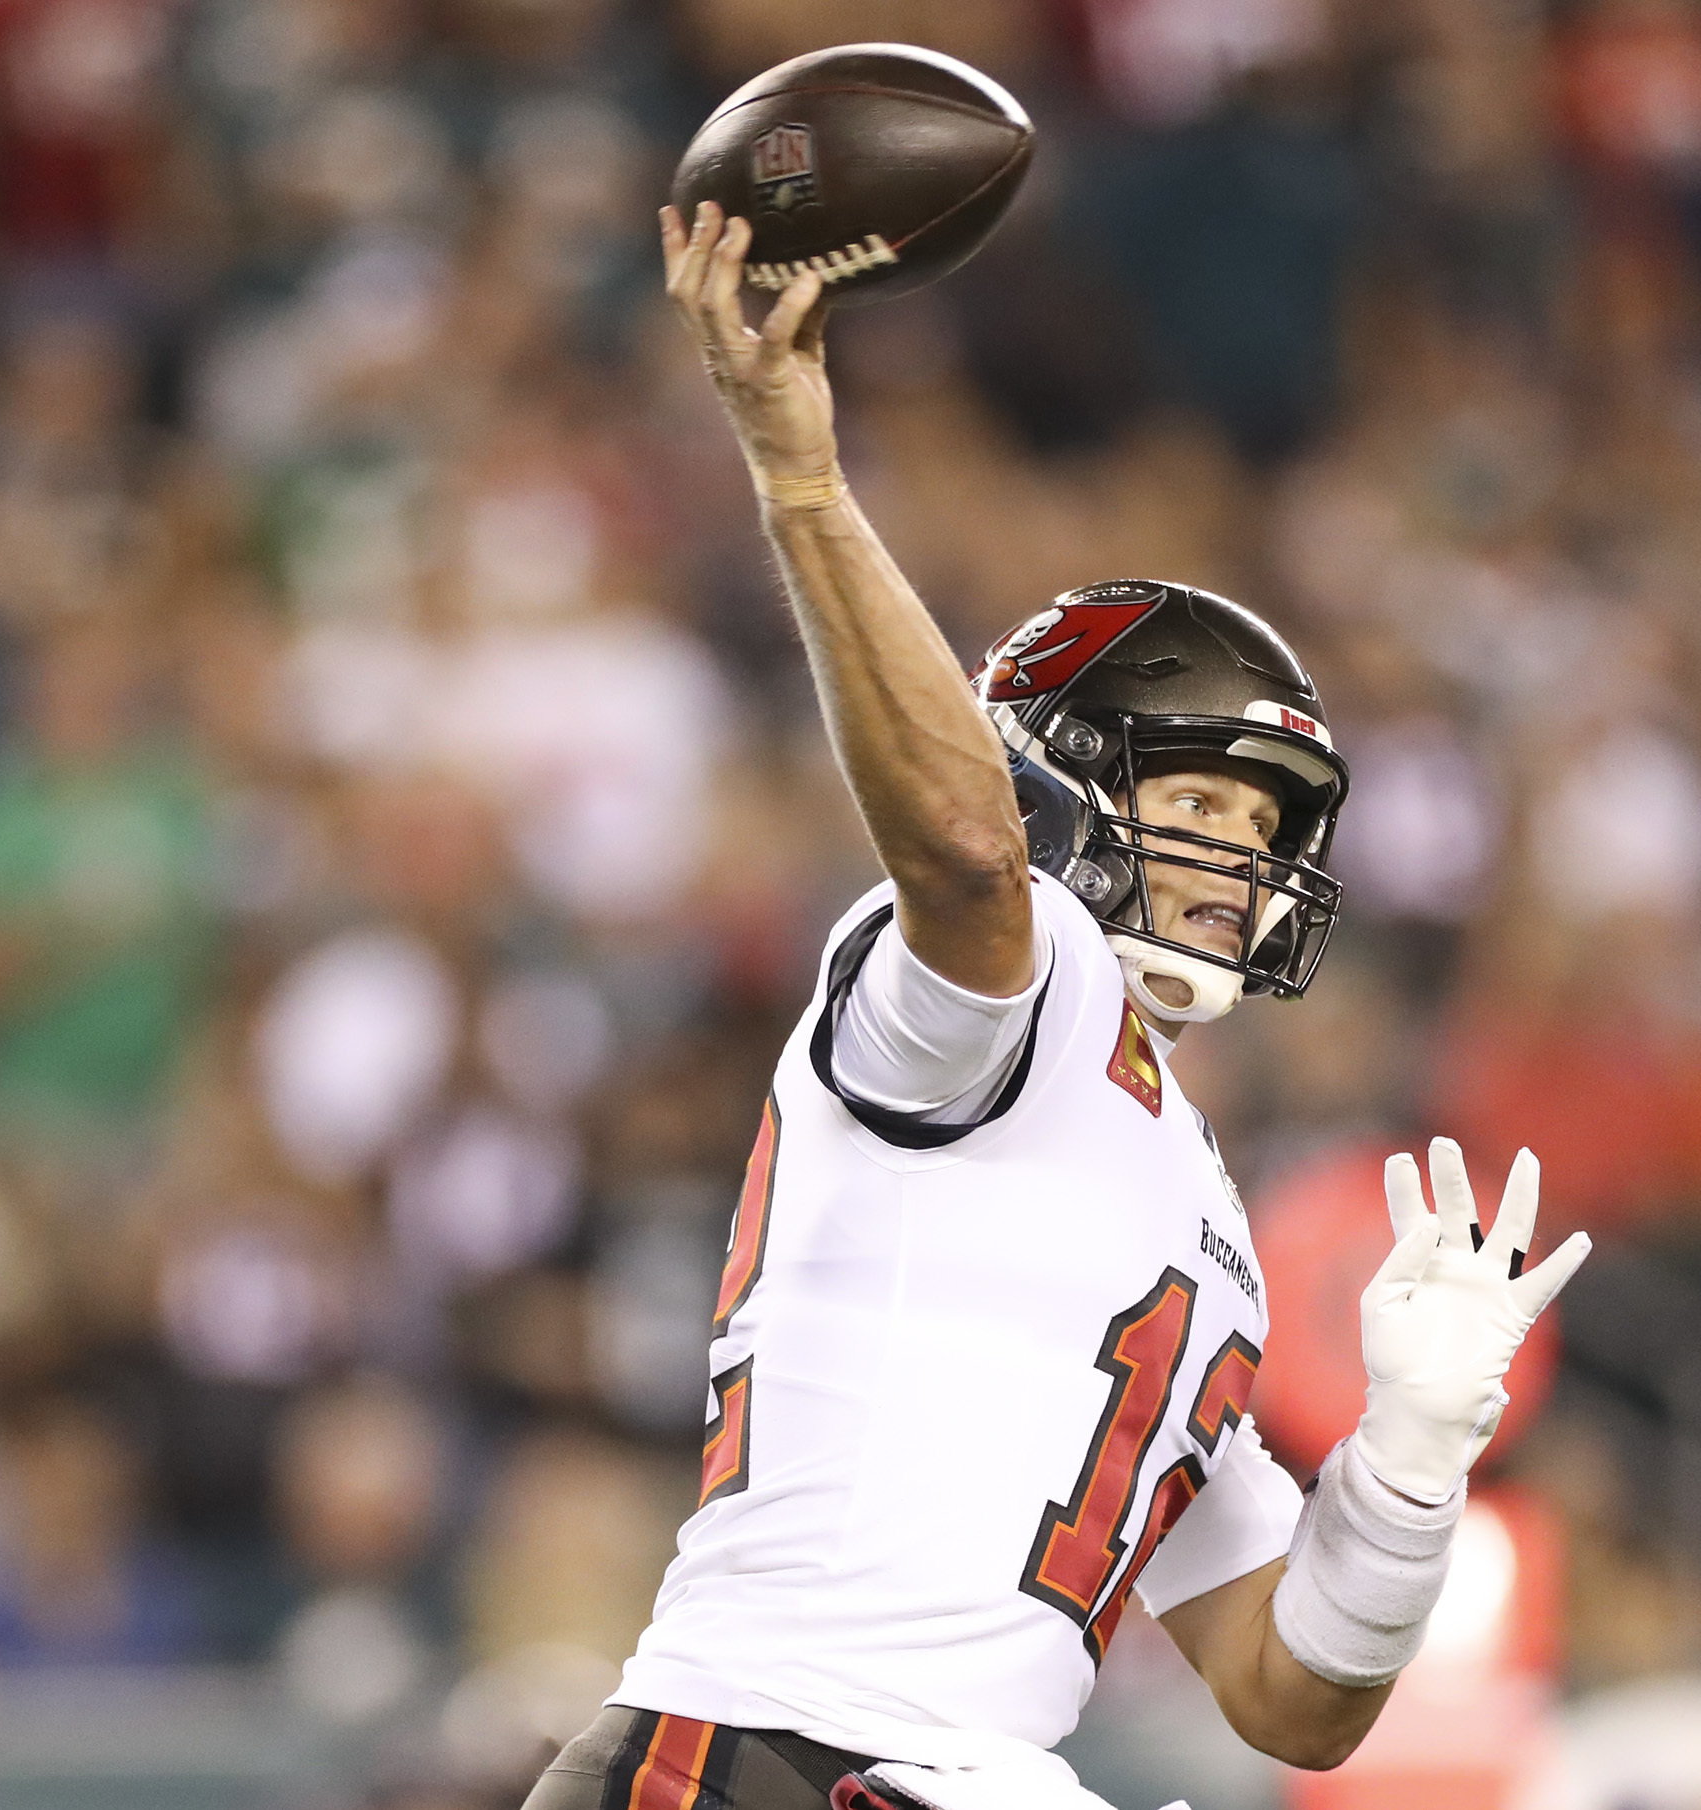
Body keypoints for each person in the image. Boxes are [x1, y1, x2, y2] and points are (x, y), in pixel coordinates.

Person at [518, 203, 1593, 1810]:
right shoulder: (1010, 994)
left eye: (1265, 830)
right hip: (768, 1749)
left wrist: (1409, 1468)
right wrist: (804, 479)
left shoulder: (1202, 1216)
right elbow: (963, 856)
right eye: (1206, 801)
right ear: (1063, 780)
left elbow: (1291, 1696)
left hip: (936, 1775)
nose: (1240, 858)